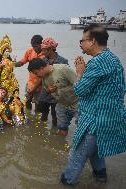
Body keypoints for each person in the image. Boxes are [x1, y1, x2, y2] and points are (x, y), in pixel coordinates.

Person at [61, 24, 126, 185]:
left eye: (82, 40)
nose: (81, 44)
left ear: (93, 41)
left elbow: (80, 90)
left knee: (76, 156)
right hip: (110, 118)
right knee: (95, 151)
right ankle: (101, 177)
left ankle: (66, 183)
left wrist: (79, 73)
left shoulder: (98, 63)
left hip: (95, 121)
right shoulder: (113, 59)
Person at [28, 58, 78, 137]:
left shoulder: (63, 69)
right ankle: (59, 145)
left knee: (83, 128)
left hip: (77, 103)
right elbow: (46, 90)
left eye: (36, 73)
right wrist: (49, 90)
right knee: (61, 128)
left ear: (41, 68)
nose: (37, 75)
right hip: (62, 104)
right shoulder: (44, 77)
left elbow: (79, 84)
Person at [38, 38, 69, 126]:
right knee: (43, 115)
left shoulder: (63, 61)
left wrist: (57, 86)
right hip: (45, 93)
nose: (42, 52)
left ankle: (55, 133)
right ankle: (42, 133)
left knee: (56, 116)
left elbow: (66, 79)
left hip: (57, 94)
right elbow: (40, 77)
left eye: (44, 50)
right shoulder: (43, 61)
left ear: (50, 49)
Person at [14, 35, 45, 116]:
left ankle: (37, 119)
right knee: (27, 101)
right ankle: (29, 116)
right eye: (33, 46)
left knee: (38, 105)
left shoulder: (45, 54)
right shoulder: (30, 51)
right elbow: (22, 62)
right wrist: (11, 64)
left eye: (36, 46)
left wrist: (34, 88)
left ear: (41, 45)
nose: (34, 48)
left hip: (41, 84)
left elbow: (44, 76)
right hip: (31, 82)